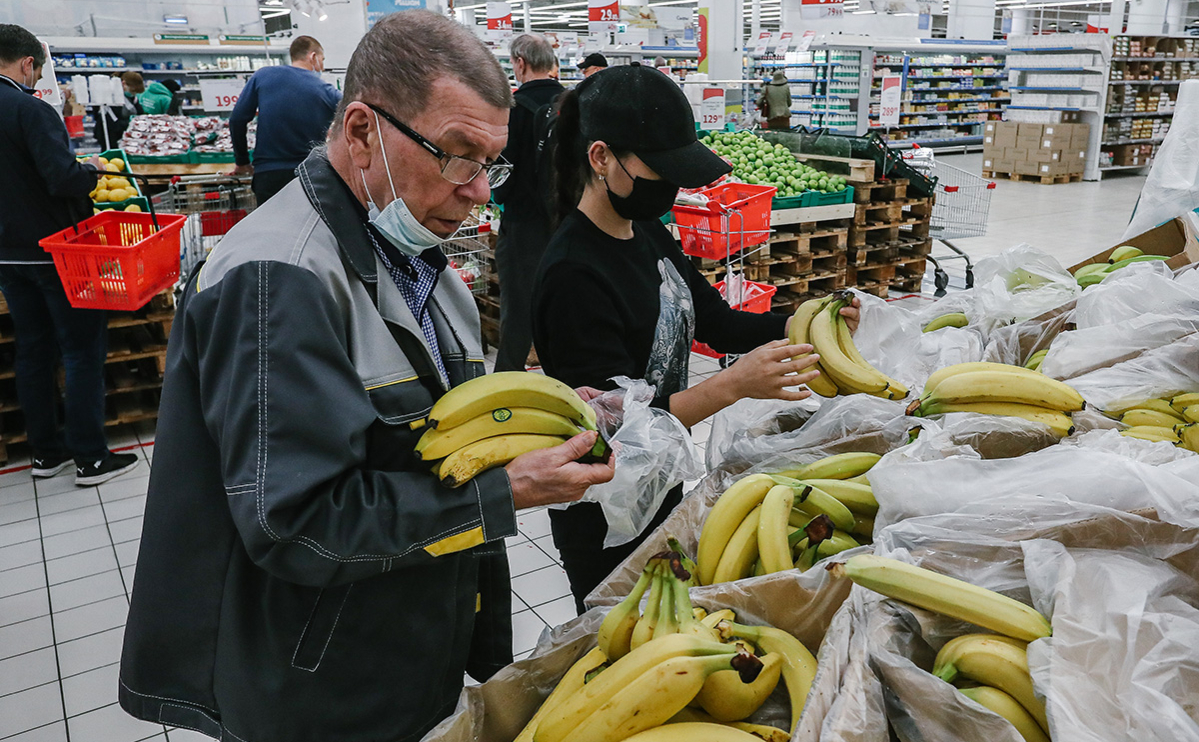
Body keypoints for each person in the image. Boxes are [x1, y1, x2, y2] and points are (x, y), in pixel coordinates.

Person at [118, 11, 614, 742]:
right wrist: (503, 492)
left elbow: (431, 440)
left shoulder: (419, 262)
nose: (479, 191)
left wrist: (535, 422)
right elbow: (296, 525)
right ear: (360, 132)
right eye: (456, 156)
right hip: (318, 678)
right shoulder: (277, 278)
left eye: (490, 165)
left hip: (402, 640)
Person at [532, 64, 858, 610]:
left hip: (660, 484)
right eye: (659, 169)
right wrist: (732, 386)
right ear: (600, 157)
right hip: (604, 510)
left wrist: (803, 317)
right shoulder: (572, 274)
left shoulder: (647, 231)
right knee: (621, 635)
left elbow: (717, 320)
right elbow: (613, 427)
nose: (672, 187)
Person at [0, 24, 141, 485]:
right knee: (81, 349)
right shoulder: (30, 109)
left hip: (7, 258)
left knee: (33, 351)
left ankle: (46, 454)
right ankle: (90, 458)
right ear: (27, 65)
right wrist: (92, 170)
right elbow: (61, 180)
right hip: (55, 253)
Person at [490, 33, 564, 372]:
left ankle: (505, 386)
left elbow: (501, 173)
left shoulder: (515, 109)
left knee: (518, 314)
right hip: (568, 225)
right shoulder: (574, 103)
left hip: (523, 228)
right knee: (565, 308)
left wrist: (501, 200)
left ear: (520, 63)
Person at [227, 35, 342, 205]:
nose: (322, 68)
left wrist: (242, 161)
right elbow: (354, 118)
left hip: (268, 174)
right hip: (311, 176)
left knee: (270, 229)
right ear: (313, 57)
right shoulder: (325, 90)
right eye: (322, 60)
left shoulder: (263, 76)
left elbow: (237, 120)